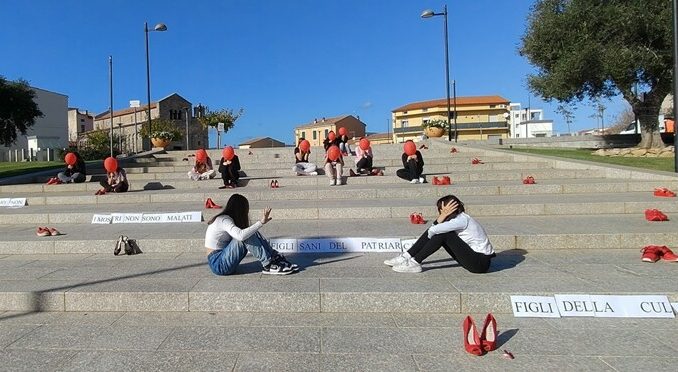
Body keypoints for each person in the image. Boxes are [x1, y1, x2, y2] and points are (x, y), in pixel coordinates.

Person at [384, 195, 496, 273]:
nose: (441, 212)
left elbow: (433, 230)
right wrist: (441, 218)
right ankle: (406, 257)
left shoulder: (461, 220)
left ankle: (414, 262)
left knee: (443, 234)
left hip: (480, 263)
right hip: (475, 260)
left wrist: (441, 218)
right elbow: (433, 230)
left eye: (443, 210)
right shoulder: (459, 219)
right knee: (440, 231)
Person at [205, 193, 298, 275]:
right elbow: (240, 236)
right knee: (244, 236)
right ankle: (268, 265)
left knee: (250, 232)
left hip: (222, 259)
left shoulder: (227, 219)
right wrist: (261, 222)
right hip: (218, 263)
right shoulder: (223, 219)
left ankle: (274, 257)